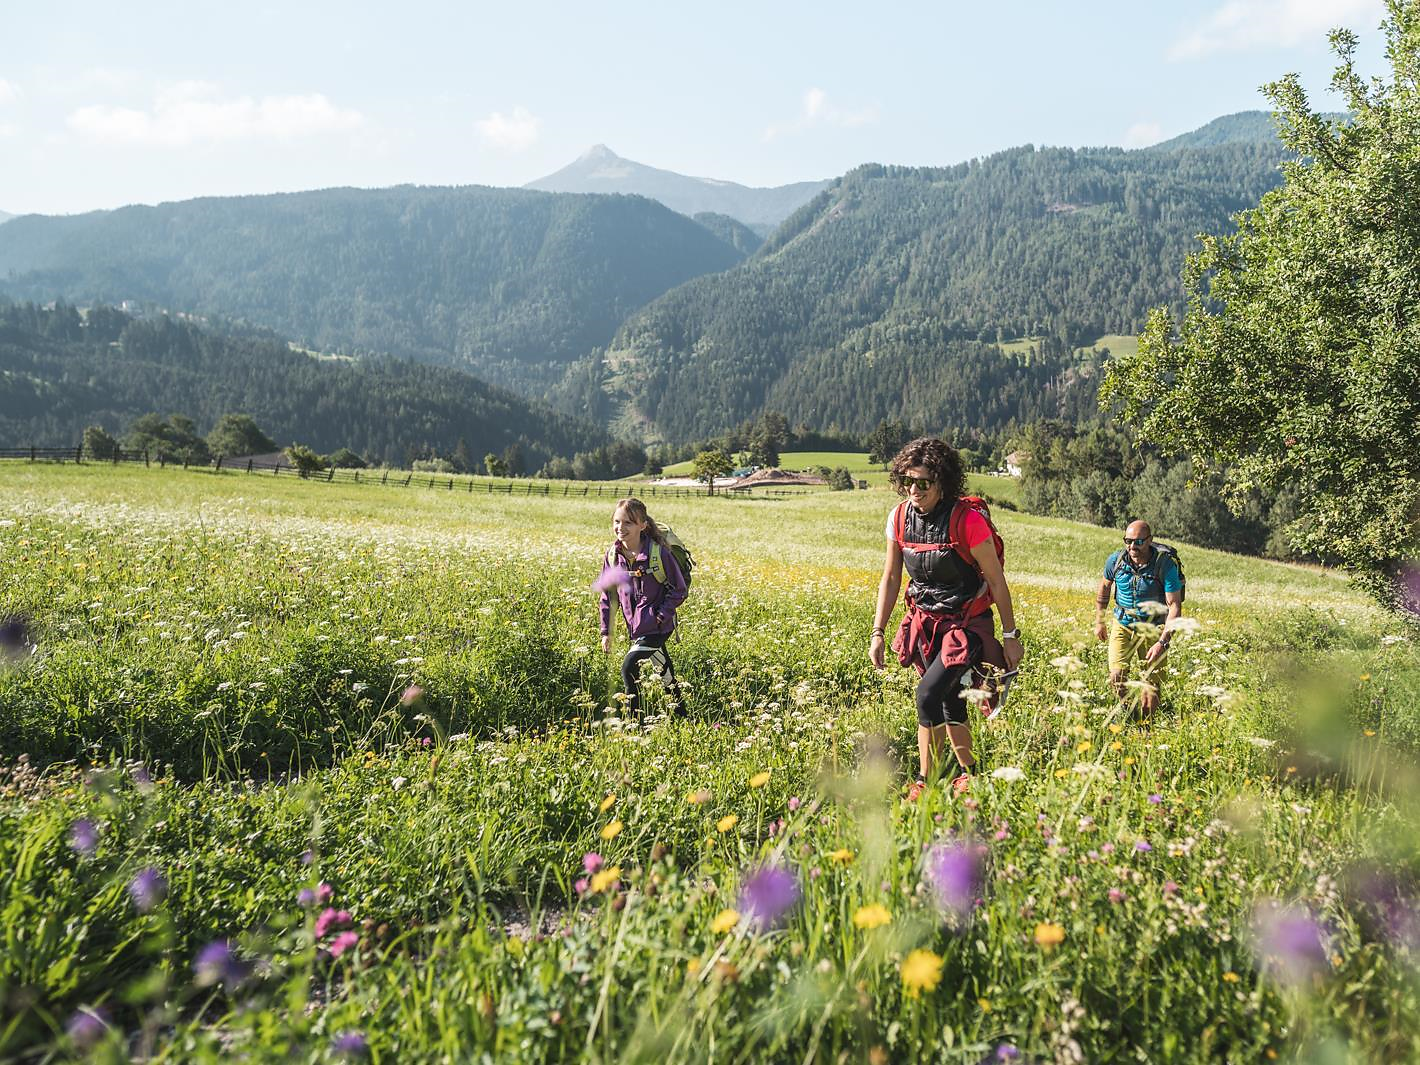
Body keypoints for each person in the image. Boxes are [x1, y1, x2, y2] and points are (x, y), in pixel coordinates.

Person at [870, 438, 1024, 801]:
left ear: (942, 482)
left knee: (927, 694)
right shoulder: (898, 518)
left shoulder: (967, 522)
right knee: (950, 698)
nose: (913, 490)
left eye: (922, 483)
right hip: (925, 623)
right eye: (908, 481)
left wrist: (1010, 634)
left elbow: (997, 582)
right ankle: (968, 773)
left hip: (966, 625)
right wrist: (878, 631)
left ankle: (927, 780)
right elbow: (891, 578)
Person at [598, 497, 688, 715]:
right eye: (617, 522)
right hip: (636, 627)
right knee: (664, 673)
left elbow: (679, 589)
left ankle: (634, 723)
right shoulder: (613, 556)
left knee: (629, 667)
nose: (621, 528)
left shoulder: (658, 553)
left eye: (628, 522)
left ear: (642, 525)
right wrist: (606, 631)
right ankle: (682, 717)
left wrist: (660, 615)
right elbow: (608, 595)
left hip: (658, 626)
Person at [1094, 519, 1182, 718]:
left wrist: (1162, 643)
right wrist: (1099, 620)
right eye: (1128, 541)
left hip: (1154, 628)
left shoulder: (1164, 565)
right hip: (1123, 624)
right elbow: (1105, 588)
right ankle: (1129, 713)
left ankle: (1146, 725)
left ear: (1149, 540)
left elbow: (1175, 606)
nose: (1132, 546)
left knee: (1151, 684)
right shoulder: (1115, 561)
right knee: (1116, 676)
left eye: (1138, 542)